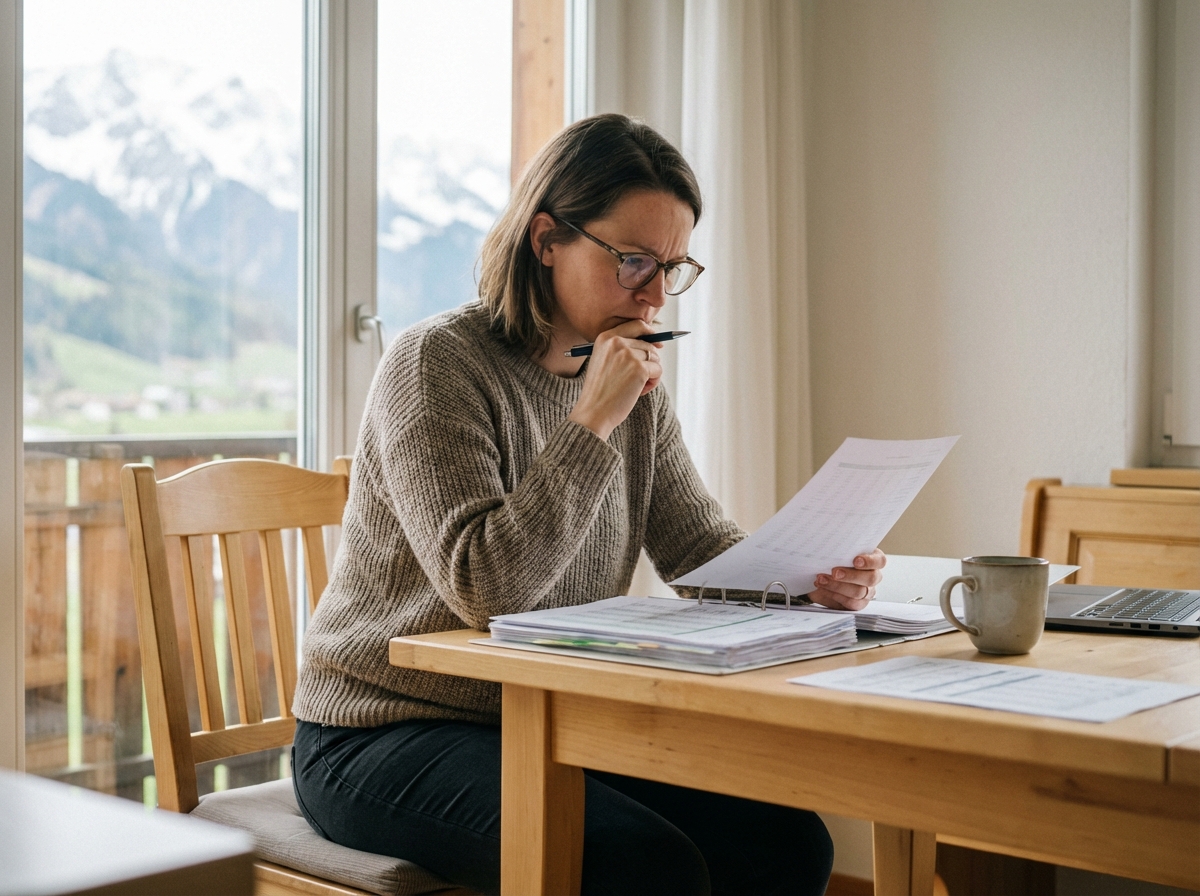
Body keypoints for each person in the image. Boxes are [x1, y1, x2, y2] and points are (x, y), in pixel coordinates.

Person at [291, 113, 885, 896]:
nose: (655, 295)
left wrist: (807, 579)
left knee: (786, 843)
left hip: (552, 717)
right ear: (547, 240)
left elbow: (698, 550)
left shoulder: (631, 382)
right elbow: (486, 590)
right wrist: (594, 418)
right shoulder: (437, 362)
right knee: (640, 864)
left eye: (673, 268)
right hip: (382, 728)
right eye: (634, 261)